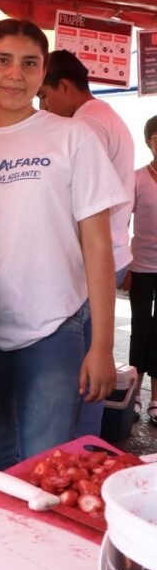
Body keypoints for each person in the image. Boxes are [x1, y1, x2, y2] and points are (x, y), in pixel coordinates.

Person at [0, 19, 127, 470]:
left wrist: (101, 345)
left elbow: (98, 246)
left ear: (43, 72)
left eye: (29, 64)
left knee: (47, 465)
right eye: (2, 61)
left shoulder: (72, 137)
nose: (15, 74)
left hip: (54, 326)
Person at [37, 48, 135, 436]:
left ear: (64, 86)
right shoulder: (105, 117)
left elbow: (77, 202)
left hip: (95, 258)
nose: (43, 105)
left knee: (85, 365)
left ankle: (79, 448)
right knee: (89, 364)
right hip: (112, 250)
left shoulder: (85, 126)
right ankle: (86, 443)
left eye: (44, 95)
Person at [128, 114, 157, 425]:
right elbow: (121, 222)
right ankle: (134, 394)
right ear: (149, 142)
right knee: (140, 328)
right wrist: (123, 265)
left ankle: (156, 399)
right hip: (141, 266)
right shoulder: (136, 178)